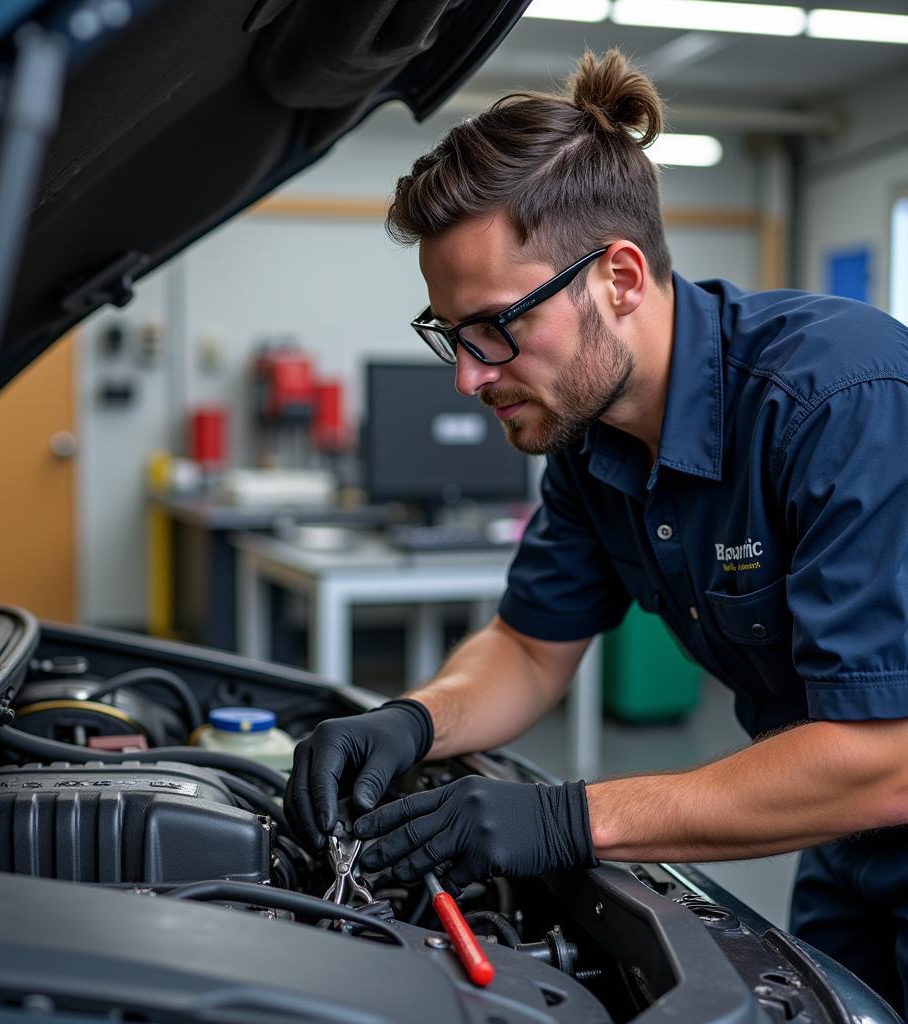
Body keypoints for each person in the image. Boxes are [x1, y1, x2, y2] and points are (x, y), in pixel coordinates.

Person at [283, 49, 908, 1013]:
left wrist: (572, 821)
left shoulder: (837, 402)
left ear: (618, 277)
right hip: (845, 847)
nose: (470, 375)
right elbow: (531, 650)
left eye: (494, 328)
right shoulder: (589, 441)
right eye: (451, 336)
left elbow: (885, 756)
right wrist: (412, 720)